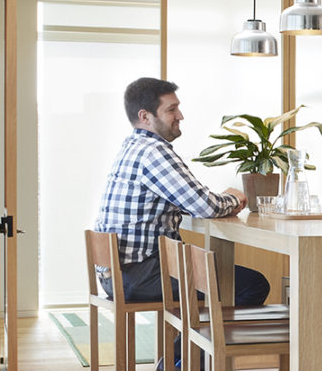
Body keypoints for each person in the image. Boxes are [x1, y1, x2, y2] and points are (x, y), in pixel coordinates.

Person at [94, 76, 271, 331]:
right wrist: (236, 197)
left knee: (211, 277)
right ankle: (183, 363)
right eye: (171, 109)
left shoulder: (132, 146)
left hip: (117, 274)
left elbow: (191, 200)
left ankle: (181, 362)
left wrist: (217, 200)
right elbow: (204, 206)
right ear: (145, 117)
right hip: (139, 276)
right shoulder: (153, 152)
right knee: (253, 284)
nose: (180, 115)